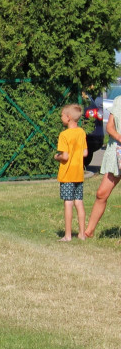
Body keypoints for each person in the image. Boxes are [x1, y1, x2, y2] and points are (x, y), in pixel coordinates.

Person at [84, 95, 121, 239]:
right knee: (101, 193)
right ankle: (89, 232)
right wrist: (119, 138)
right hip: (115, 152)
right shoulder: (118, 100)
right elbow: (109, 127)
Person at [53, 104, 88, 241]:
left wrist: (57, 157)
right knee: (79, 202)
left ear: (68, 118)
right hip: (79, 173)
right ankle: (82, 234)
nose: (61, 117)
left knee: (68, 202)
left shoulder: (64, 135)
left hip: (67, 175)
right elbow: (85, 152)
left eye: (62, 115)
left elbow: (65, 156)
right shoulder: (81, 132)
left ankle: (67, 235)